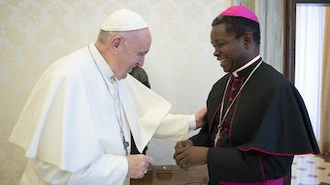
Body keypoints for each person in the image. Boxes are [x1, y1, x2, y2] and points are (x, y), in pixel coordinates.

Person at [9, 9, 206, 185]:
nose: (141, 63)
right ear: (116, 43)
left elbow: (144, 120)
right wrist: (124, 167)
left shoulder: (115, 75)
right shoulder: (68, 77)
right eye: (140, 54)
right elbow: (52, 170)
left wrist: (192, 121)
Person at [174, 5, 320, 185]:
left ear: (246, 40)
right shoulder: (220, 86)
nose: (215, 52)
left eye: (220, 44)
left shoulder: (277, 89)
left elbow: (275, 165)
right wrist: (193, 144)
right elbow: (216, 133)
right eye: (214, 46)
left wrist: (208, 156)